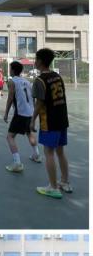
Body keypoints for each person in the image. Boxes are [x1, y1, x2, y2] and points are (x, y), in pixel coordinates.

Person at [32, 48, 71, 198]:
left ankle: (53, 187)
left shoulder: (40, 80)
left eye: (36, 59)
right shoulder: (57, 76)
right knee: (60, 151)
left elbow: (39, 103)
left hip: (49, 121)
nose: (35, 61)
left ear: (40, 61)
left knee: (49, 153)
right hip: (62, 119)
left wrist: (32, 120)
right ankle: (65, 182)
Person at [3, 60, 41, 173]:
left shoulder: (12, 82)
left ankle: (17, 163)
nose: (9, 70)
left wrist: (6, 113)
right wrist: (33, 114)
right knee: (29, 133)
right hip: (30, 112)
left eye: (10, 68)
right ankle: (36, 155)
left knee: (10, 137)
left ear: (13, 70)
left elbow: (10, 98)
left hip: (20, 113)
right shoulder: (27, 82)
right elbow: (33, 98)